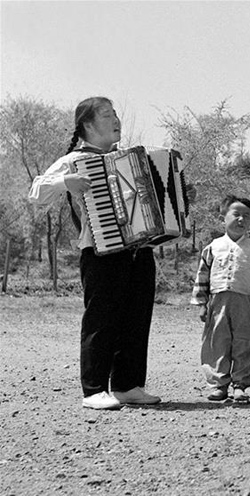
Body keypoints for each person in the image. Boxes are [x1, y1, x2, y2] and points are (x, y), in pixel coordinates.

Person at [28, 96, 161, 410]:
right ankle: (94, 390)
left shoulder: (131, 158)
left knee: (137, 318)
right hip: (99, 250)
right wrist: (66, 182)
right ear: (87, 124)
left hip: (139, 250)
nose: (116, 119)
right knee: (101, 320)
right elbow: (36, 192)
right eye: (106, 115)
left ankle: (128, 385)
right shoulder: (74, 160)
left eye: (115, 113)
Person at [191, 196, 250, 402]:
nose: (241, 220)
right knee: (217, 341)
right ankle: (218, 384)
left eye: (246, 216)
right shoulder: (213, 247)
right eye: (236, 215)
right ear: (222, 218)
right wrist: (201, 303)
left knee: (245, 342)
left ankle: (240, 385)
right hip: (218, 302)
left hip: (245, 302)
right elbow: (202, 276)